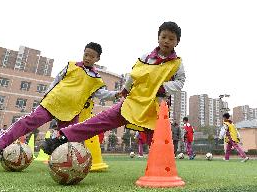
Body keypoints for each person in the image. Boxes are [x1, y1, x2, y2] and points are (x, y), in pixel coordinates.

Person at [42, 21, 186, 155]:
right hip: (133, 101)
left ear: (177, 42)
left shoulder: (177, 63)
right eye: (164, 37)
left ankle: (162, 167)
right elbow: (133, 75)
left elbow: (180, 81)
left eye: (171, 39)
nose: (167, 41)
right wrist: (125, 89)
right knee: (100, 121)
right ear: (158, 38)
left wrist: (163, 87)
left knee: (157, 139)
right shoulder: (146, 57)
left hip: (155, 107)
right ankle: (62, 138)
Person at [0, 42, 120, 161]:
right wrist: (46, 95)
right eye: (86, 54)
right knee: (27, 122)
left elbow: (102, 94)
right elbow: (56, 80)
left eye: (91, 56)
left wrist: (118, 94)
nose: (87, 58)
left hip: (71, 112)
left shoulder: (96, 79)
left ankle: (65, 164)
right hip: (53, 102)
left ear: (97, 59)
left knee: (71, 138)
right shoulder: (71, 65)